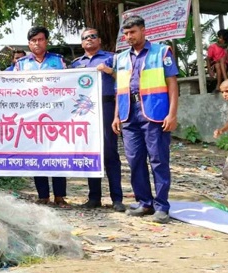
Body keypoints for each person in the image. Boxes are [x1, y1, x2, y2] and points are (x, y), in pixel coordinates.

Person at [111, 15, 179, 223]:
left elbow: (172, 84)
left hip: (155, 112)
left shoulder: (161, 52)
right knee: (135, 160)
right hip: (128, 114)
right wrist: (116, 116)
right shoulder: (120, 58)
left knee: (158, 160)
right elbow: (119, 89)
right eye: (126, 33)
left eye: (133, 32)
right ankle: (144, 203)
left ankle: (161, 206)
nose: (129, 36)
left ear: (143, 30)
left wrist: (172, 113)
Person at [14, 26, 71, 209]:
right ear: (29, 44)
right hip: (32, 117)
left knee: (57, 154)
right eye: (33, 40)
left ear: (46, 41)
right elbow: (12, 89)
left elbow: (69, 83)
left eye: (40, 39)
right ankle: (43, 195)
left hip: (56, 116)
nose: (37, 43)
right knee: (37, 154)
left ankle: (60, 196)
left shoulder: (58, 61)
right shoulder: (21, 64)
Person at [71, 28, 125, 212]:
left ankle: (117, 198)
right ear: (81, 43)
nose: (89, 40)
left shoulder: (113, 58)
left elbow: (125, 80)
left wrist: (110, 71)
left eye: (93, 36)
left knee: (110, 153)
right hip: (85, 111)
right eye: (85, 38)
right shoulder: (75, 64)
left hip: (107, 106)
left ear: (99, 40)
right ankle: (94, 197)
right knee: (90, 153)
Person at [206, 29, 228, 93]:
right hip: (215, 66)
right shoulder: (213, 47)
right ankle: (225, 81)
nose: (221, 40)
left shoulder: (226, 47)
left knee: (221, 61)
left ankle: (218, 86)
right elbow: (208, 59)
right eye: (220, 38)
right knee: (218, 64)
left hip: (225, 65)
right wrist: (209, 70)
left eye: (222, 38)